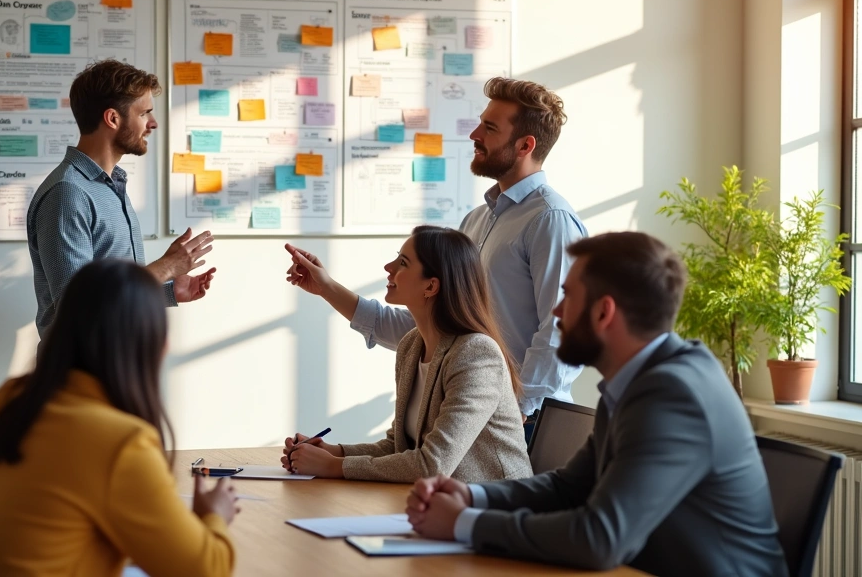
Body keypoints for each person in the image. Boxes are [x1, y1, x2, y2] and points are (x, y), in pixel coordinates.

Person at [404, 232, 787, 575]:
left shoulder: (672, 395)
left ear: (604, 312)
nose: (556, 312)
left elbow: (599, 539)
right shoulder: (639, 379)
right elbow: (569, 488)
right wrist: (472, 496)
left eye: (567, 296)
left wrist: (464, 524)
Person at [287, 77, 586, 438]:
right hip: (474, 414)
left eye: (489, 128)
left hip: (523, 424)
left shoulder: (549, 220)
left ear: (525, 144)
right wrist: (327, 288)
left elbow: (563, 331)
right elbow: (432, 329)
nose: (475, 134)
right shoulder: (476, 221)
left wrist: (517, 409)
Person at [0, 260, 238, 577]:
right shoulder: (122, 443)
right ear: (154, 344)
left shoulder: (8, 398)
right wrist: (214, 516)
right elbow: (206, 570)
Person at [278, 227, 531, 484]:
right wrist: (334, 452)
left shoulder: (476, 354)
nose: (388, 267)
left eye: (402, 263)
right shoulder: (412, 345)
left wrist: (334, 467)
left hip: (497, 510)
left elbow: (433, 464)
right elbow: (400, 447)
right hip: (441, 504)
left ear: (431, 286)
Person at [28, 59, 215, 335]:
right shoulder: (67, 194)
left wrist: (166, 289)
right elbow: (76, 306)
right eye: (144, 114)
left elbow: (106, 294)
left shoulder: (111, 185)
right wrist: (164, 267)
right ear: (113, 118)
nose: (152, 124)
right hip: (81, 369)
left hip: (119, 361)